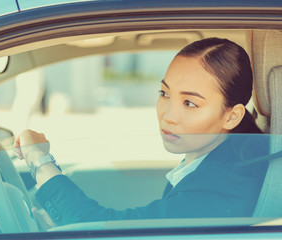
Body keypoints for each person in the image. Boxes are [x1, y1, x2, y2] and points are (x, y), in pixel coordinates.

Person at [14, 38, 268, 227]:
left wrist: (39, 159)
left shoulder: (224, 184)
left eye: (190, 103)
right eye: (164, 94)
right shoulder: (219, 159)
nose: (168, 115)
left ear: (231, 115)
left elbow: (96, 228)